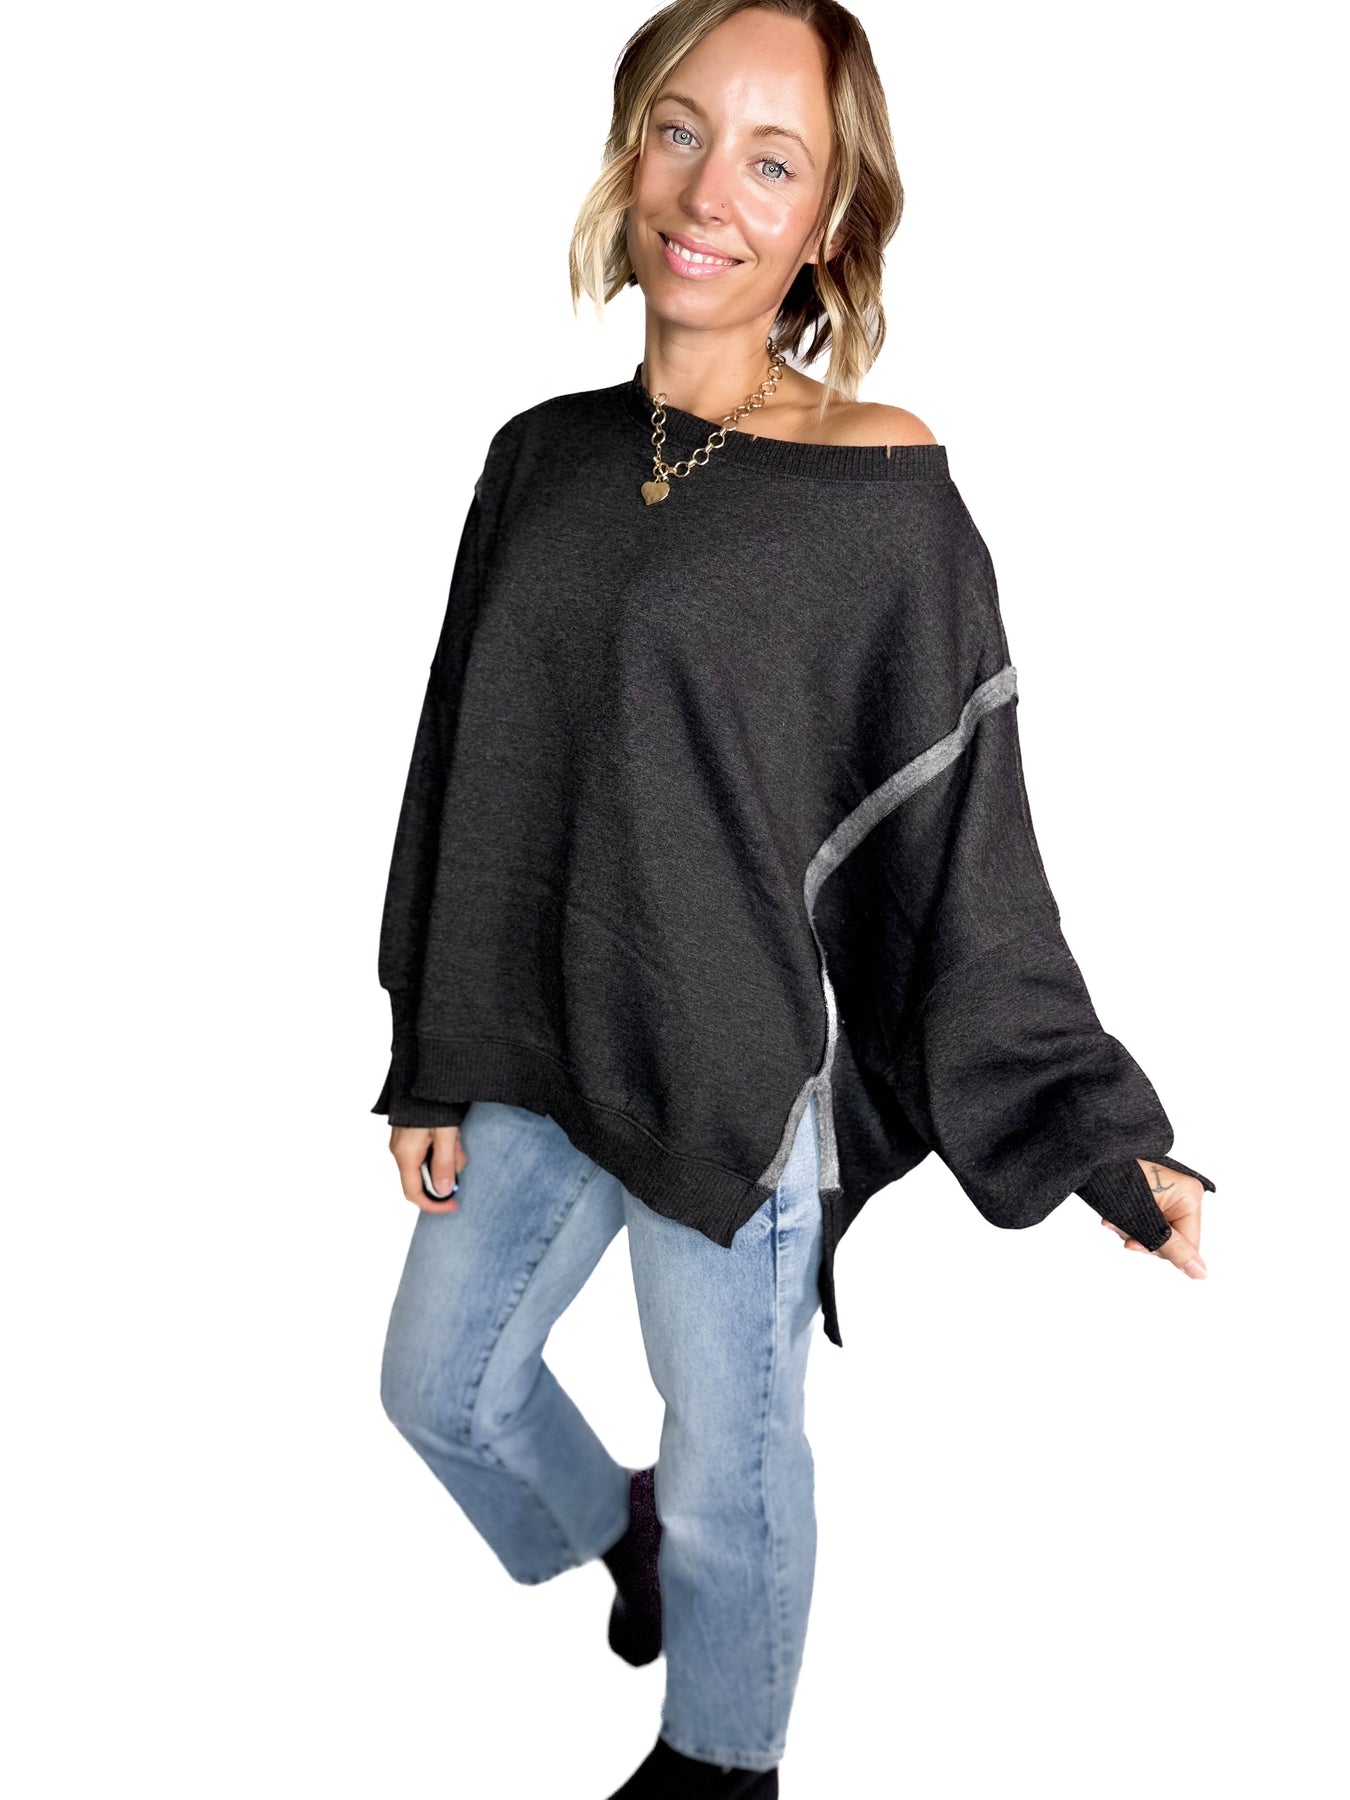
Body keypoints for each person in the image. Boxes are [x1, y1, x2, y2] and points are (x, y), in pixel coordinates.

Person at [370, 3, 1216, 1794]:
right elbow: (464, 765)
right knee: (441, 1391)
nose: (709, 194)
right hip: (531, 1046)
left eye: (773, 162)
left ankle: (721, 1761)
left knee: (734, 1475)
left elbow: (967, 836)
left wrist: (1084, 1130)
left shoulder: (876, 485)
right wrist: (431, 1052)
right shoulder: (538, 455)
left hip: (731, 1082)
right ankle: (614, 1537)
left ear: (828, 219)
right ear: (628, 149)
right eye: (679, 132)